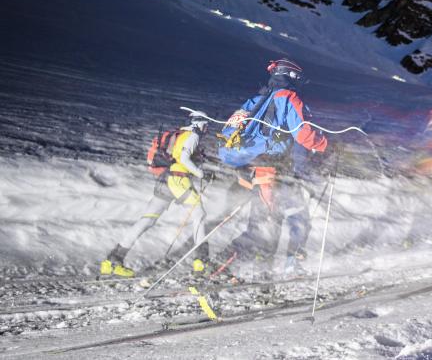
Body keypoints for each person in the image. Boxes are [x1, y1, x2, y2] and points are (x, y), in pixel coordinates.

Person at [217, 58, 328, 277]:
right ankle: (224, 265)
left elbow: (231, 128)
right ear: (293, 76)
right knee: (291, 219)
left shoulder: (256, 99)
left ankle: (257, 265)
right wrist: (325, 145)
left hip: (253, 169)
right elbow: (304, 135)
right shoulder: (289, 97)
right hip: (275, 171)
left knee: (264, 220)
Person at [100, 114, 210, 277]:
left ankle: (112, 261)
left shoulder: (179, 133)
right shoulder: (193, 135)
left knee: (148, 219)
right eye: (206, 125)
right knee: (199, 214)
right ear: (201, 124)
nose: (207, 129)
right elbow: (184, 159)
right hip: (179, 181)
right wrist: (201, 173)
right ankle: (201, 262)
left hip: (165, 179)